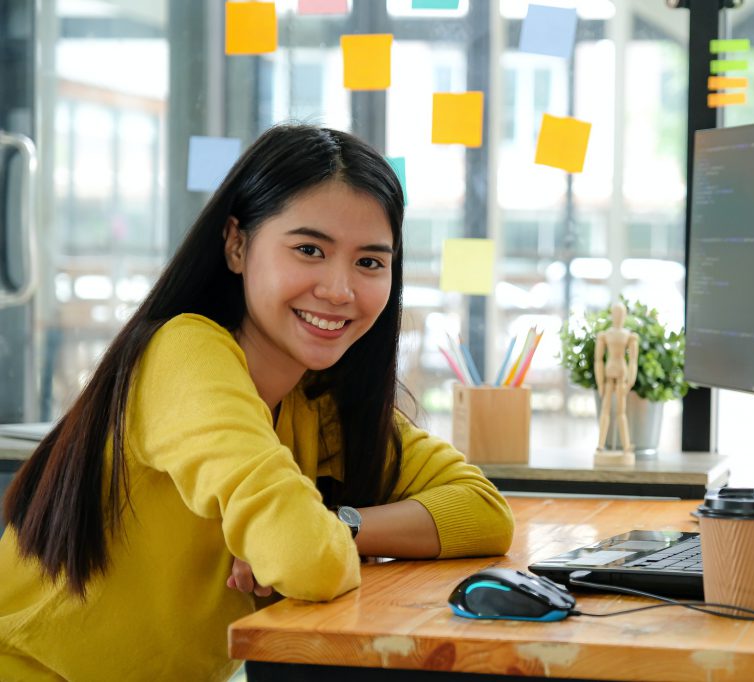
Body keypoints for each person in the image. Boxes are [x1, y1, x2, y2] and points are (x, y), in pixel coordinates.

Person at [0, 124, 515, 681]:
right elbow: (306, 560)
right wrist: (310, 536)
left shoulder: (318, 400)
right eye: (309, 250)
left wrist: (340, 523)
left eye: (369, 262)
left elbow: (483, 512)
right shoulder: (184, 353)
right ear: (237, 244)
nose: (340, 289)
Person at [594, 301, 638, 464]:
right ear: (612, 315)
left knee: (621, 412)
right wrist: (599, 382)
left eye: (621, 314)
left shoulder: (629, 336)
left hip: (621, 375)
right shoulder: (605, 335)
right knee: (605, 411)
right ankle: (600, 444)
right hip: (609, 375)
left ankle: (626, 445)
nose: (618, 317)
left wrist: (630, 380)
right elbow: (598, 360)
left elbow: (633, 360)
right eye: (616, 314)